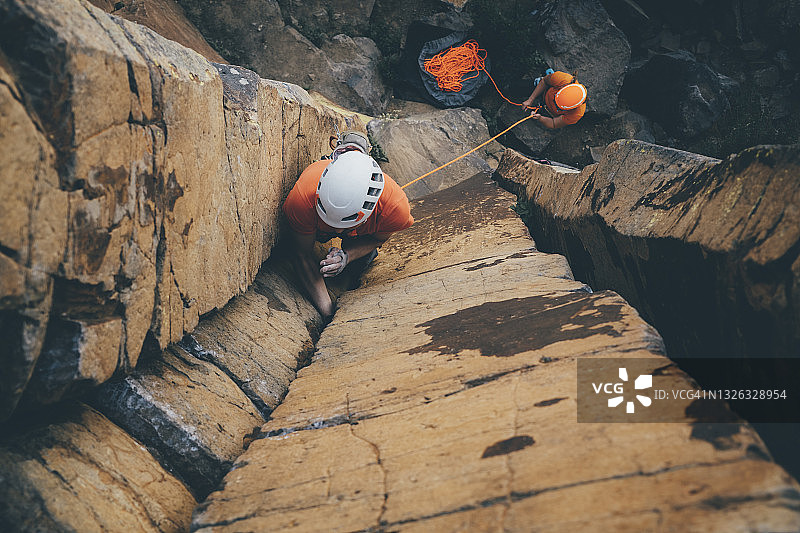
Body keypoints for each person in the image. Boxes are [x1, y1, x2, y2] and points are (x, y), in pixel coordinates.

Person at [282, 130, 414, 319]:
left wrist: (347, 256)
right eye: (330, 220)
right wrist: (328, 312)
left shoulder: (394, 208)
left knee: (359, 265)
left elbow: (377, 240)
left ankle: (353, 265)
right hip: (313, 213)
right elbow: (301, 254)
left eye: (347, 223)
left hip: (361, 233)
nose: (337, 230)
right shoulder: (303, 197)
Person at [520, 69, 587, 129]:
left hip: (549, 113)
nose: (554, 103)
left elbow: (553, 123)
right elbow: (544, 81)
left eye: (559, 107)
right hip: (545, 91)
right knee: (519, 87)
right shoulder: (563, 79)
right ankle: (546, 75)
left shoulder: (576, 114)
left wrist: (540, 118)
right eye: (555, 99)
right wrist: (530, 100)